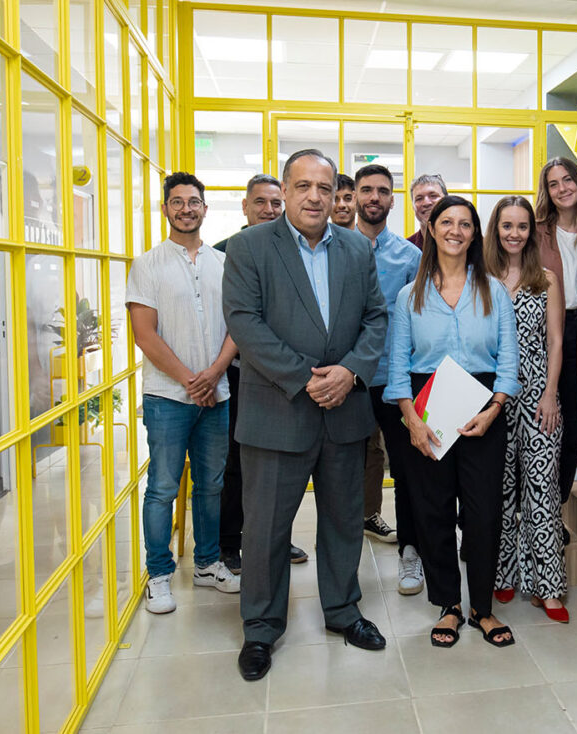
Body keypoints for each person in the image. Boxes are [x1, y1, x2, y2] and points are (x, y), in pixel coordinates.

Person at [223, 149, 389, 681]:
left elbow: (376, 318)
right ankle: (261, 627)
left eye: (324, 187)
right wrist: (306, 377)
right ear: (287, 191)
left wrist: (350, 372)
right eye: (303, 186)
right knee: (267, 528)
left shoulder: (357, 251)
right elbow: (245, 324)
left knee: (343, 523)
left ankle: (342, 611)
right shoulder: (250, 247)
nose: (315, 197)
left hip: (345, 411)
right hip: (277, 412)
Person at [384, 195, 520, 649]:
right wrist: (412, 422)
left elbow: (508, 360)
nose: (455, 230)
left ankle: (482, 606)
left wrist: (494, 409)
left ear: (474, 234)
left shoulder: (494, 290)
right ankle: (449, 604)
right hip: (426, 408)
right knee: (433, 509)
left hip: (484, 407)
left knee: (483, 513)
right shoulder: (409, 295)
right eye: (447, 222)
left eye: (465, 223)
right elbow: (397, 366)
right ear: (431, 228)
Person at [126, 171, 241, 615]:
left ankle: (209, 564)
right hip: (166, 398)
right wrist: (193, 381)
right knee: (163, 487)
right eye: (178, 202)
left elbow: (237, 325)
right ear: (165, 208)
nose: (186, 209)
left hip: (217, 394)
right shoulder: (148, 264)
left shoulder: (222, 263)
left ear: (205, 209)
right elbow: (144, 335)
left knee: (211, 486)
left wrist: (213, 375)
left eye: (194, 201)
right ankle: (158, 573)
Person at [214, 174, 308, 573]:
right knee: (239, 463)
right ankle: (230, 544)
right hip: (239, 374)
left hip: (285, 375)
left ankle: (273, 540)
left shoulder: (294, 250)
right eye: (260, 203)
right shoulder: (224, 252)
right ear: (245, 206)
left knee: (279, 467)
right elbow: (241, 318)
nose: (268, 210)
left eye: (275, 203)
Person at [484, 196, 568, 622]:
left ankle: (548, 585)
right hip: (494, 395)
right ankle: (502, 575)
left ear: (531, 232)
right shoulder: (479, 277)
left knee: (541, 488)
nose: (514, 233)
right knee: (499, 488)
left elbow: (556, 341)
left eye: (521, 226)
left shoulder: (548, 279)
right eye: (507, 226)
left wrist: (551, 392)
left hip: (539, 395)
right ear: (495, 230)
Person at [351, 163, 424, 594]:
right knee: (345, 471)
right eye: (366, 190)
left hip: (396, 383)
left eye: (382, 191)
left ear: (392, 200)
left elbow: (420, 321)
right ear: (356, 197)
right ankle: (343, 564)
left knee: (408, 472)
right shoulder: (335, 248)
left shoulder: (411, 257)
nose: (374, 197)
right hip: (350, 381)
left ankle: (410, 554)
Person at [535, 157, 577, 512]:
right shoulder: (539, 229)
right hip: (543, 331)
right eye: (553, 183)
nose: (562, 189)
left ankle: (554, 508)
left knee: (573, 425)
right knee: (543, 420)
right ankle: (529, 508)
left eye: (567, 180)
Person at [405, 173, 446, 250]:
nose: (426, 203)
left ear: (446, 200)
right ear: (413, 207)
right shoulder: (405, 251)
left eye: (433, 196)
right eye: (419, 199)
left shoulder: (464, 245)